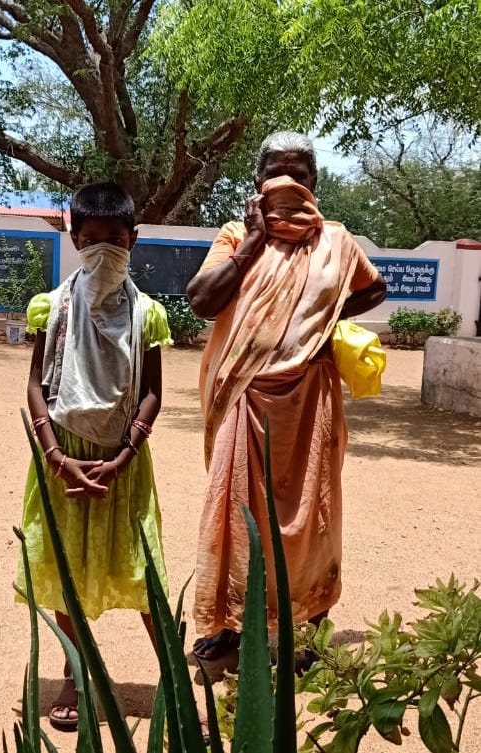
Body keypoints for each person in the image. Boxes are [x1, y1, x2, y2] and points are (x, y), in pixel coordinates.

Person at [186, 131, 386, 661]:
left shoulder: (337, 242)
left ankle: (310, 626)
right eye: (275, 171)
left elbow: (374, 288)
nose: (287, 182)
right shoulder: (234, 236)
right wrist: (253, 241)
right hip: (246, 398)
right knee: (234, 512)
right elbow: (202, 300)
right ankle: (228, 623)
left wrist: (321, 322)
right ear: (257, 182)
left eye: (299, 174)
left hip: (311, 403)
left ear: (314, 183)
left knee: (312, 516)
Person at [15, 181, 172, 728]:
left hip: (123, 462)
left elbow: (151, 392)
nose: (103, 249)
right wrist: (56, 456)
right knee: (68, 570)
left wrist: (124, 454)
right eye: (91, 239)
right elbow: (36, 384)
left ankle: (173, 681)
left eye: (114, 239)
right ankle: (74, 675)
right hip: (64, 454)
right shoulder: (51, 307)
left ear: (133, 239)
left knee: (146, 571)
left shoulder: (147, 314)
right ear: (74, 239)